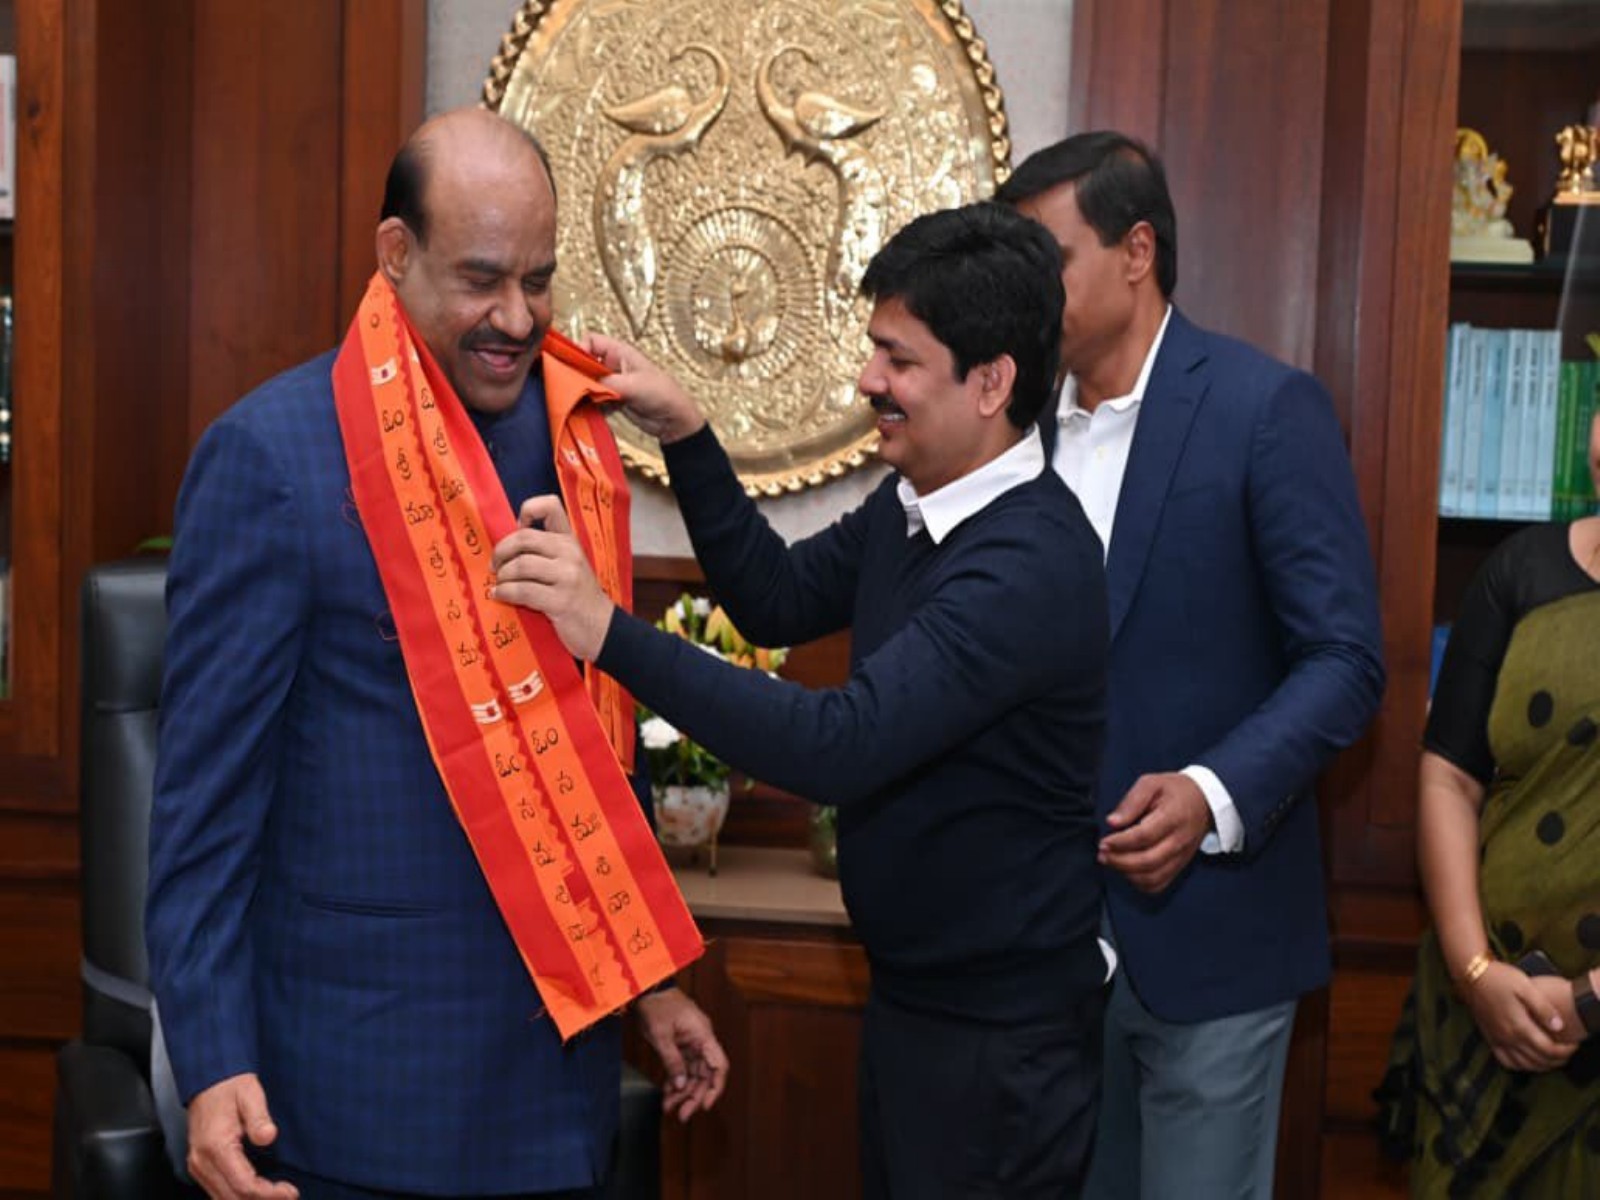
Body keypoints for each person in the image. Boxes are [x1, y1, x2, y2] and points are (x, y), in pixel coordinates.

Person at [145, 107, 726, 1200]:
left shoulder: (573, 447)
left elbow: (587, 747)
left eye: (540, 278)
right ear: (395, 256)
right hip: (360, 1087)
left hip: (555, 1090)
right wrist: (212, 1057)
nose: (516, 316)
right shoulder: (272, 460)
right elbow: (204, 809)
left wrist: (648, 982)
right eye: (481, 278)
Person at [493, 201, 1111, 1199]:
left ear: (991, 381)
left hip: (1000, 1045)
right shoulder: (916, 506)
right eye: (874, 351)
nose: (869, 381)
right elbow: (772, 601)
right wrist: (689, 433)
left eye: (898, 360)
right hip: (920, 1005)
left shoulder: (1027, 561)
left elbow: (840, 745)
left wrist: (603, 630)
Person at [995, 132, 1387, 1198]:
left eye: (1049, 260)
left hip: (1213, 937)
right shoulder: (1010, 435)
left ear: (1136, 250)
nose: (1025, 292)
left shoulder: (1264, 410)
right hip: (1040, 953)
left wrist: (1212, 794)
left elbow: (1346, 658)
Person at [1377, 408, 1600, 1197]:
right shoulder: (1519, 572)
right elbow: (1448, 775)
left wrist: (1590, 1003)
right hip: (1479, 1031)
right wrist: (1476, 972)